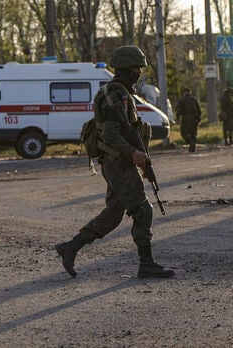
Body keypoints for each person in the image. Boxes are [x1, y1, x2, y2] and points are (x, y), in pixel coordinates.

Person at [55, 45, 175, 279]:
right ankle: (146, 263)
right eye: (136, 67)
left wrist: (136, 156)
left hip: (116, 162)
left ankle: (71, 247)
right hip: (117, 162)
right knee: (142, 209)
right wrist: (133, 153)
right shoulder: (116, 94)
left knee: (113, 214)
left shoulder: (119, 93)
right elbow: (110, 133)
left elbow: (126, 130)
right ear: (124, 68)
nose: (139, 71)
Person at [175, 87, 202, 152]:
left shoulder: (182, 100)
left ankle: (190, 142)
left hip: (185, 118)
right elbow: (199, 110)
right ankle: (193, 147)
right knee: (193, 134)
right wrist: (198, 118)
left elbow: (178, 110)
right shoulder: (194, 100)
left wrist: (178, 118)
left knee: (184, 133)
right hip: (193, 119)